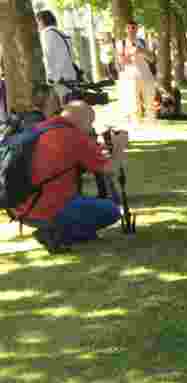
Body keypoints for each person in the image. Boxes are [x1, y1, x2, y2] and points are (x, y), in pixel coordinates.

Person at [12, 101, 129, 253]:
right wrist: (119, 147)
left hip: (21, 208)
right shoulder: (73, 136)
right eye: (90, 123)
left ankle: (67, 231)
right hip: (48, 209)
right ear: (82, 120)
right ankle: (58, 234)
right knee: (111, 210)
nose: (91, 128)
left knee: (84, 210)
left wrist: (96, 148)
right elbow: (109, 169)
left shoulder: (41, 128)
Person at [118, 20, 157, 124]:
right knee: (133, 102)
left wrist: (142, 51)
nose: (131, 30)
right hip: (130, 76)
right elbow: (121, 61)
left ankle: (151, 124)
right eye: (129, 28)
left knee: (149, 100)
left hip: (146, 74)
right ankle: (136, 124)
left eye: (134, 28)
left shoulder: (143, 42)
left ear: (137, 29)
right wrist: (130, 54)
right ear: (126, 29)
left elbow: (152, 59)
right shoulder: (121, 43)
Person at [36, 11, 78, 104]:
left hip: (59, 79)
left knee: (61, 109)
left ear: (41, 21)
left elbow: (47, 57)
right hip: (69, 76)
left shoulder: (47, 33)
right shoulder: (61, 33)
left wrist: (51, 78)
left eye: (37, 22)